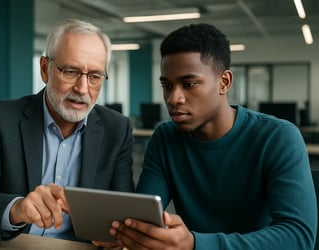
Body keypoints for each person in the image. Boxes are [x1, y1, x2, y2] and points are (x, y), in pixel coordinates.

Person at [95, 23, 317, 249]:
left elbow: (298, 236)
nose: (173, 98)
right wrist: (127, 233)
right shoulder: (165, 138)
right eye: (167, 85)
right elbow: (144, 217)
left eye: (189, 84)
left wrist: (195, 245)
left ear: (225, 82)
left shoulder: (278, 138)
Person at [0, 18, 135, 242]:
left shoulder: (117, 129)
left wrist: (119, 235)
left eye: (94, 76)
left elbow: (125, 213)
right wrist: (16, 209)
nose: (83, 88)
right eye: (70, 71)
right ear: (45, 69)